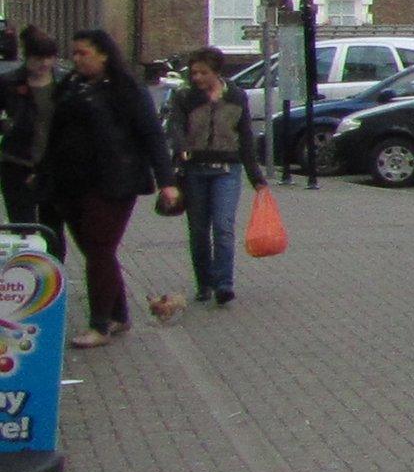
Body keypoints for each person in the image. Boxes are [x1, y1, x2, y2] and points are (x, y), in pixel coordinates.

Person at [43, 30, 178, 349]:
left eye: (84, 53)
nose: (77, 59)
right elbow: (55, 130)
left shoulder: (125, 89)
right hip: (72, 180)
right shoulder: (71, 86)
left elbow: (152, 135)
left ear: (103, 54)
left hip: (115, 180)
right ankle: (119, 313)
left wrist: (167, 181)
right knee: (93, 249)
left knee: (100, 248)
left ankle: (99, 324)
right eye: (74, 53)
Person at [163, 46, 267, 308]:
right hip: (194, 170)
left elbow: (245, 136)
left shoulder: (236, 96)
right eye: (193, 72)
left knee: (223, 227)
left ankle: (224, 284)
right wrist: (181, 146)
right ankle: (204, 282)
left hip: (227, 170)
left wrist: (256, 176)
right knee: (198, 231)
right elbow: (174, 126)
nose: (196, 77)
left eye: (203, 73)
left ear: (217, 73)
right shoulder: (185, 96)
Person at [0, 27, 66, 259]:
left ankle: (56, 278)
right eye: (38, 58)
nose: (45, 64)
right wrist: (7, 125)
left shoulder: (63, 83)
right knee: (23, 229)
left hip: (54, 167)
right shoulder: (8, 82)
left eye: (49, 58)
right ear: (27, 58)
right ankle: (27, 280)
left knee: (53, 228)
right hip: (17, 163)